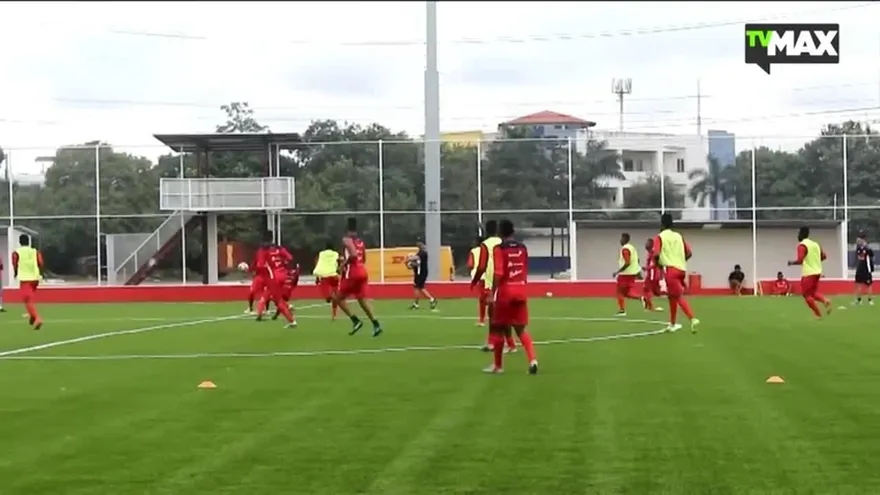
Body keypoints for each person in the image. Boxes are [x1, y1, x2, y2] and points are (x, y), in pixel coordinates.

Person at [484, 219, 538, 375]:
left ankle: (498, 366)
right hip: (521, 289)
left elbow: (499, 272)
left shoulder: (499, 249)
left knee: (498, 329)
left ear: (499, 233)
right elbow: (525, 268)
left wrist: (492, 292)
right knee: (521, 329)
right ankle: (533, 360)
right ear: (513, 231)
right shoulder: (522, 247)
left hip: (505, 292)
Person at [471, 220, 517, 354]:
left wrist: (475, 280)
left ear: (486, 230)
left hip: (492, 282)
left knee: (494, 315)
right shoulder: (503, 242)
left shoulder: (485, 244)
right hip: (506, 281)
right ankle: (506, 343)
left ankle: (496, 343)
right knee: (501, 314)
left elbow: (481, 266)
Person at [651, 213, 700, 333]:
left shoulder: (659, 237)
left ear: (662, 224)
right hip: (681, 270)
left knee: (677, 296)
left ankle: (692, 319)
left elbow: (656, 254)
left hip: (670, 270)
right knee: (672, 297)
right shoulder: (679, 236)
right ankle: (672, 324)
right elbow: (689, 253)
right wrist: (680, 261)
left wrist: (657, 264)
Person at [333, 217, 382, 336]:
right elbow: (363, 258)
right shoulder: (360, 242)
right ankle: (376, 324)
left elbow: (353, 255)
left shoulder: (346, 240)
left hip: (352, 273)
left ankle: (355, 321)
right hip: (362, 271)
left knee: (337, 298)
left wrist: (342, 265)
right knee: (361, 299)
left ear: (347, 229)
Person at [253, 231, 297, 327]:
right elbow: (290, 258)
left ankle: (291, 320)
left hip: (272, 277)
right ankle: (290, 316)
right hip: (283, 275)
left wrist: (256, 271)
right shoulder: (278, 248)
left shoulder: (262, 250)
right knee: (276, 298)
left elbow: (260, 265)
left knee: (276, 300)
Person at [787, 226, 832, 318]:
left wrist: (791, 262)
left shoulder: (802, 245)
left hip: (808, 273)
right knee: (812, 293)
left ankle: (818, 314)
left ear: (801, 234)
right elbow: (824, 256)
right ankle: (825, 301)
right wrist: (815, 260)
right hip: (817, 272)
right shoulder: (815, 244)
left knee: (806, 295)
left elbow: (800, 260)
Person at [12, 234, 43, 329]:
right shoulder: (35, 251)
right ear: (28, 242)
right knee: (29, 299)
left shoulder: (17, 252)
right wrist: (40, 273)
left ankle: (37, 318)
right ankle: (32, 316)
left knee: (27, 299)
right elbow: (41, 263)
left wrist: (15, 273)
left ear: (19, 242)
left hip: (25, 278)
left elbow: (15, 263)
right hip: (35, 278)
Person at [612, 232, 642, 316]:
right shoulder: (632, 248)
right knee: (627, 293)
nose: (620, 240)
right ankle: (641, 298)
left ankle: (622, 310)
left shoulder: (625, 249)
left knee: (619, 292)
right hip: (632, 273)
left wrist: (618, 272)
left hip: (625, 274)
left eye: (621, 238)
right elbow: (637, 260)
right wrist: (638, 271)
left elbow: (627, 262)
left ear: (625, 239)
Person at [313, 243, 341, 320]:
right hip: (334, 276)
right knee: (335, 294)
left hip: (325, 276)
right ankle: (334, 315)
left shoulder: (321, 254)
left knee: (328, 298)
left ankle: (332, 297)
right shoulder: (336, 254)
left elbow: (318, 264)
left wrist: (317, 277)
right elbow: (339, 262)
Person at [409, 239, 438, 311]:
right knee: (420, 288)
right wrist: (410, 263)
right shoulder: (420, 253)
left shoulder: (423, 253)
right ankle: (431, 300)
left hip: (421, 273)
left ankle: (418, 304)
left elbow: (416, 258)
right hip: (419, 273)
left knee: (417, 287)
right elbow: (416, 264)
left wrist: (408, 259)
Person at [245, 240, 271, 314]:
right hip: (259, 276)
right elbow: (255, 261)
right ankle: (250, 308)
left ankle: (267, 309)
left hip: (267, 276)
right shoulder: (259, 251)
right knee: (252, 292)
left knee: (266, 293)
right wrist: (250, 269)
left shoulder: (270, 253)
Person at [467, 237, 487, 326]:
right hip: (489, 275)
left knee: (482, 299)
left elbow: (470, 264)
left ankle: (482, 320)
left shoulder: (473, 251)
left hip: (479, 276)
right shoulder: (489, 250)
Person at [641, 237, 664, 312]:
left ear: (651, 244)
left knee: (647, 290)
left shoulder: (653, 253)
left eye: (647, 243)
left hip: (652, 275)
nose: (645, 244)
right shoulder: (650, 253)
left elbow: (654, 264)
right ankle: (649, 306)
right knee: (652, 291)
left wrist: (646, 268)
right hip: (652, 274)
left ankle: (650, 307)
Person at [853, 233, 874, 306]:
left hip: (867, 269)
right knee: (858, 284)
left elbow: (872, 255)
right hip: (859, 269)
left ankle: (870, 300)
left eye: (859, 239)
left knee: (868, 285)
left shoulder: (868, 248)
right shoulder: (858, 248)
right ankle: (859, 300)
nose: (857, 241)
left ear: (863, 240)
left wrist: (866, 247)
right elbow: (858, 257)